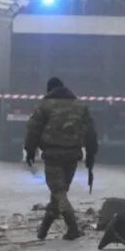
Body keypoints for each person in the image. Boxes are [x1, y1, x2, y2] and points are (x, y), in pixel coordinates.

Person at [25, 77, 98, 241]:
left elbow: (33, 129)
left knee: (58, 192)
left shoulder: (45, 106)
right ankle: (42, 231)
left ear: (49, 89)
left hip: (53, 154)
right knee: (59, 192)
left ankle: (73, 227)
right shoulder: (80, 106)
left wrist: (30, 150)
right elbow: (90, 132)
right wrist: (91, 154)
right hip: (73, 154)